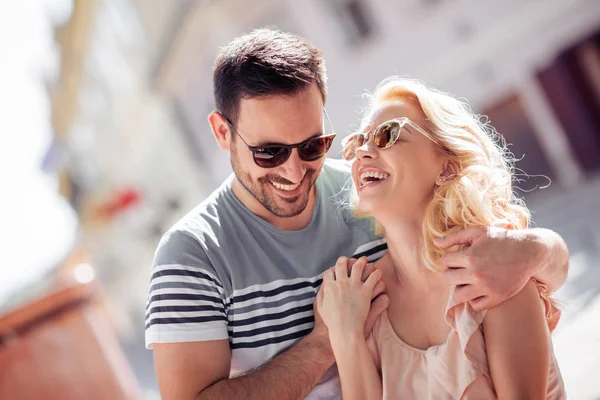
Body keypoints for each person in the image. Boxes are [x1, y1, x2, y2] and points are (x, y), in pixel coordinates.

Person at [145, 28, 570, 400]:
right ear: (223, 132)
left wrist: (534, 249)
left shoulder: (370, 190)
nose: (294, 172)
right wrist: (327, 341)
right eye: (269, 152)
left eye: (313, 145)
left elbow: (502, 253)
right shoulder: (192, 255)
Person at [317, 77, 566, 399]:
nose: (363, 152)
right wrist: (344, 334)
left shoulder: (493, 271)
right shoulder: (360, 297)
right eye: (358, 142)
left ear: (446, 169)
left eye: (388, 135)